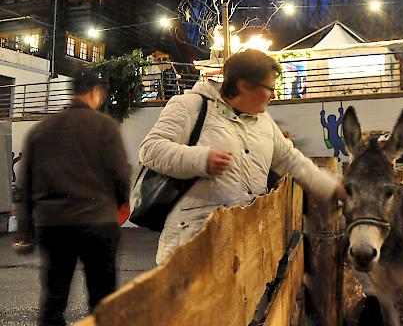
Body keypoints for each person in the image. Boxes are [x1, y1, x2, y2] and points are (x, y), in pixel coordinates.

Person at [139, 49, 345, 264]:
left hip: (245, 249)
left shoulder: (264, 121)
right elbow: (151, 149)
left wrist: (334, 189)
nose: (273, 95)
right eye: (269, 88)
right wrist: (201, 160)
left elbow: (292, 160)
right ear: (243, 85)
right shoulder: (189, 105)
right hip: (193, 247)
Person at [13, 67, 131, 326]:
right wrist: (120, 203)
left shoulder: (41, 130)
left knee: (54, 300)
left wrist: (26, 230)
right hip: (97, 222)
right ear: (94, 92)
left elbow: (26, 184)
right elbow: (121, 174)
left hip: (53, 224)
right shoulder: (105, 127)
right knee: (103, 301)